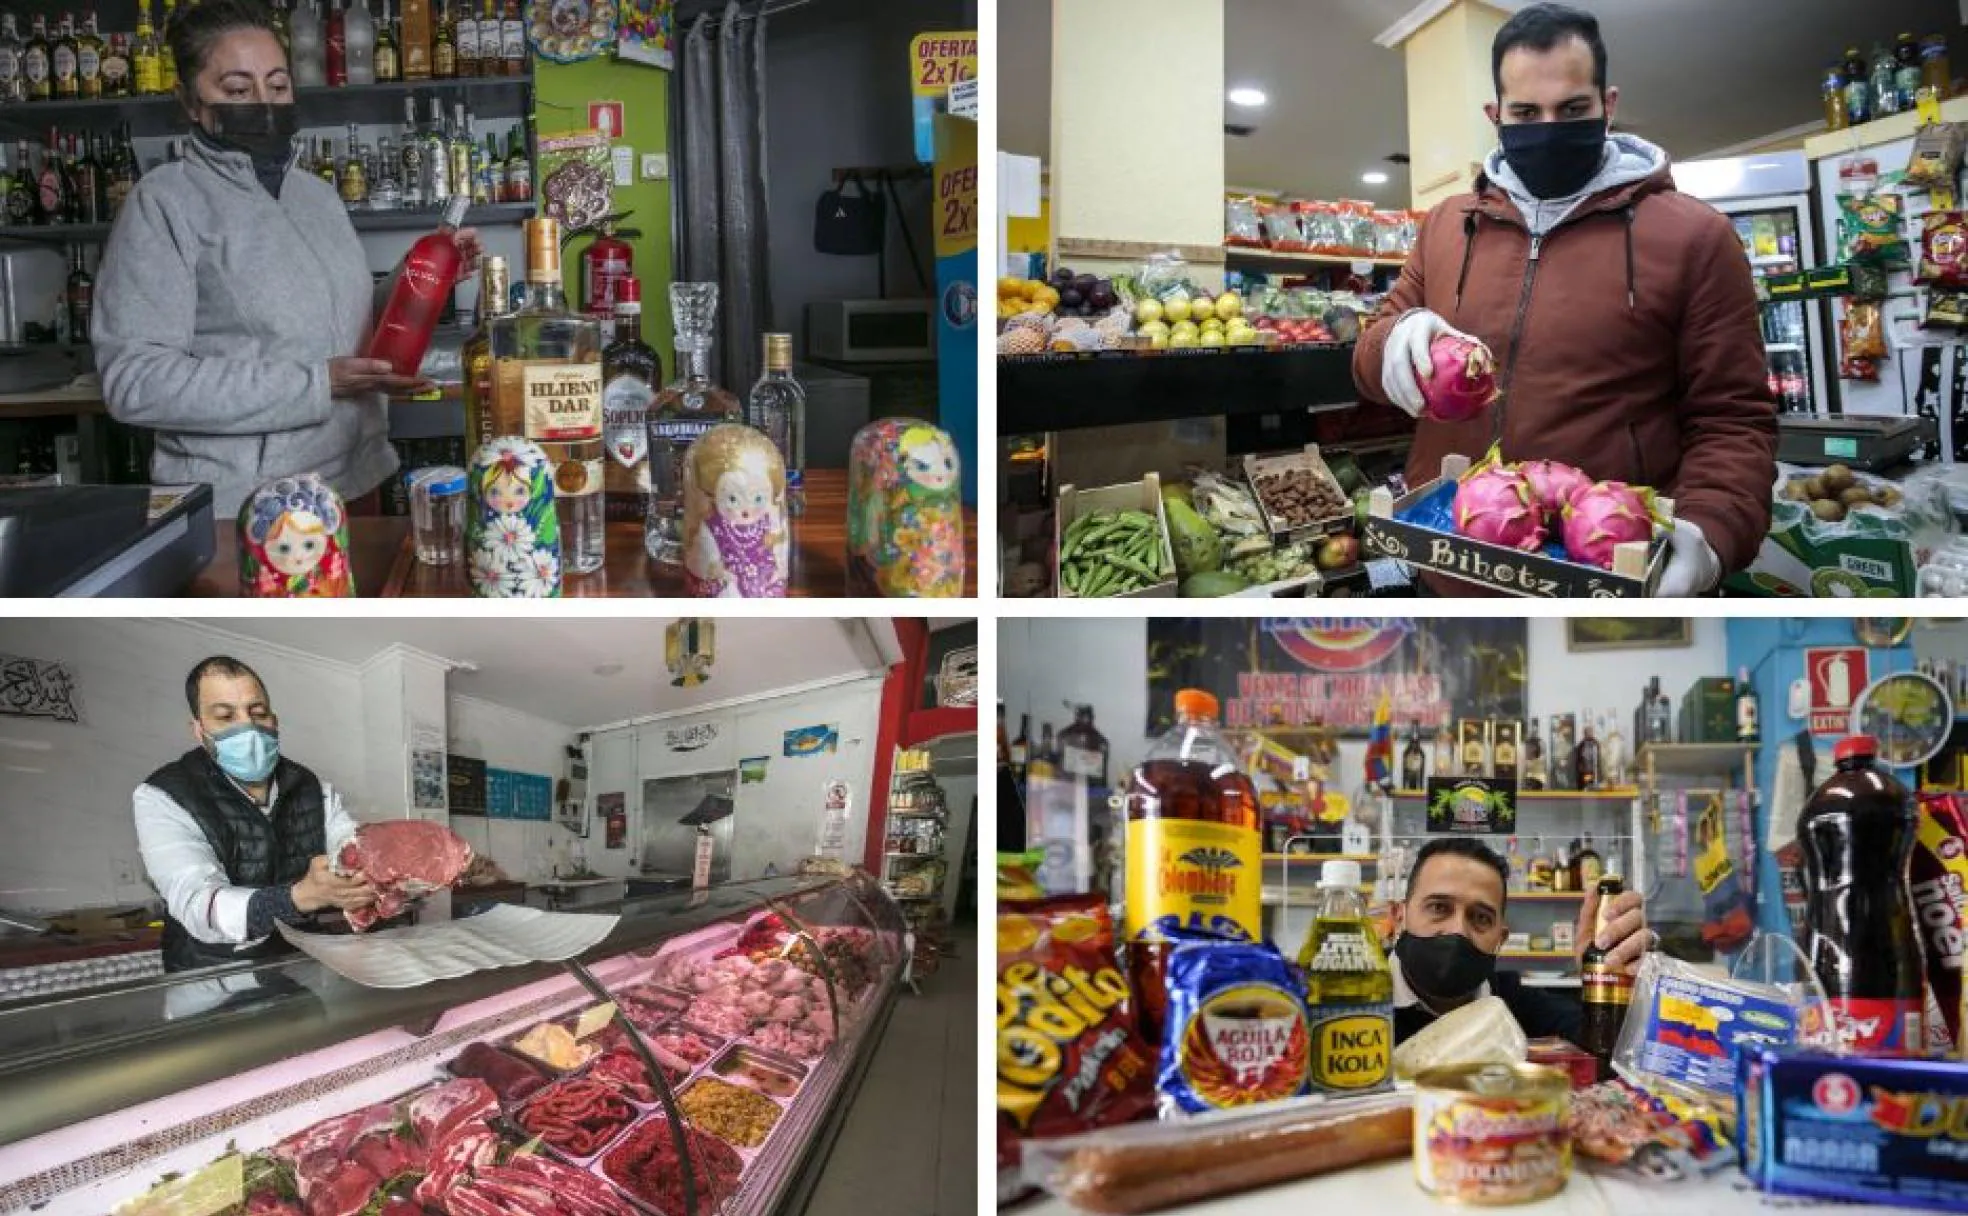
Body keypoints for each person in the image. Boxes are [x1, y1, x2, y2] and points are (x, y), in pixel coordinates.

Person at [1352, 3, 1777, 597]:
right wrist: (1393, 341)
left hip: (1605, 576)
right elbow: (1369, 359)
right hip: (1451, 568)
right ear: (1495, 115)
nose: (1548, 128)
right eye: (1526, 113)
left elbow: (1733, 419)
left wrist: (1712, 530)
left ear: (1608, 104)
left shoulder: (1696, 238)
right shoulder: (1448, 225)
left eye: (1572, 109)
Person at [93, 0, 482, 517]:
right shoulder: (164, 201)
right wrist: (317, 384)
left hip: (356, 479)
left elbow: (343, 325)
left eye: (277, 86)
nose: (264, 103)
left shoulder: (315, 195)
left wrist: (418, 276)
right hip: (251, 504)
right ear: (189, 100)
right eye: (238, 90)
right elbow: (136, 383)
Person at [133, 656, 376, 972]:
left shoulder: (313, 788)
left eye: (257, 713)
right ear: (199, 730)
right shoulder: (163, 795)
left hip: (300, 964)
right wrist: (298, 897)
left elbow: (349, 843)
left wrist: (364, 870)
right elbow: (198, 905)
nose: (247, 726)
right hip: (213, 973)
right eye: (225, 716)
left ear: (274, 721)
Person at [1390, 837, 1650, 1044]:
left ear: (1501, 939)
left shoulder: (1517, 1006)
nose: (1458, 930)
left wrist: (1608, 980)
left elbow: (1610, 1052)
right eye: (1438, 908)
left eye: (1480, 917)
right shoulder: (1366, 997)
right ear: (1399, 916)